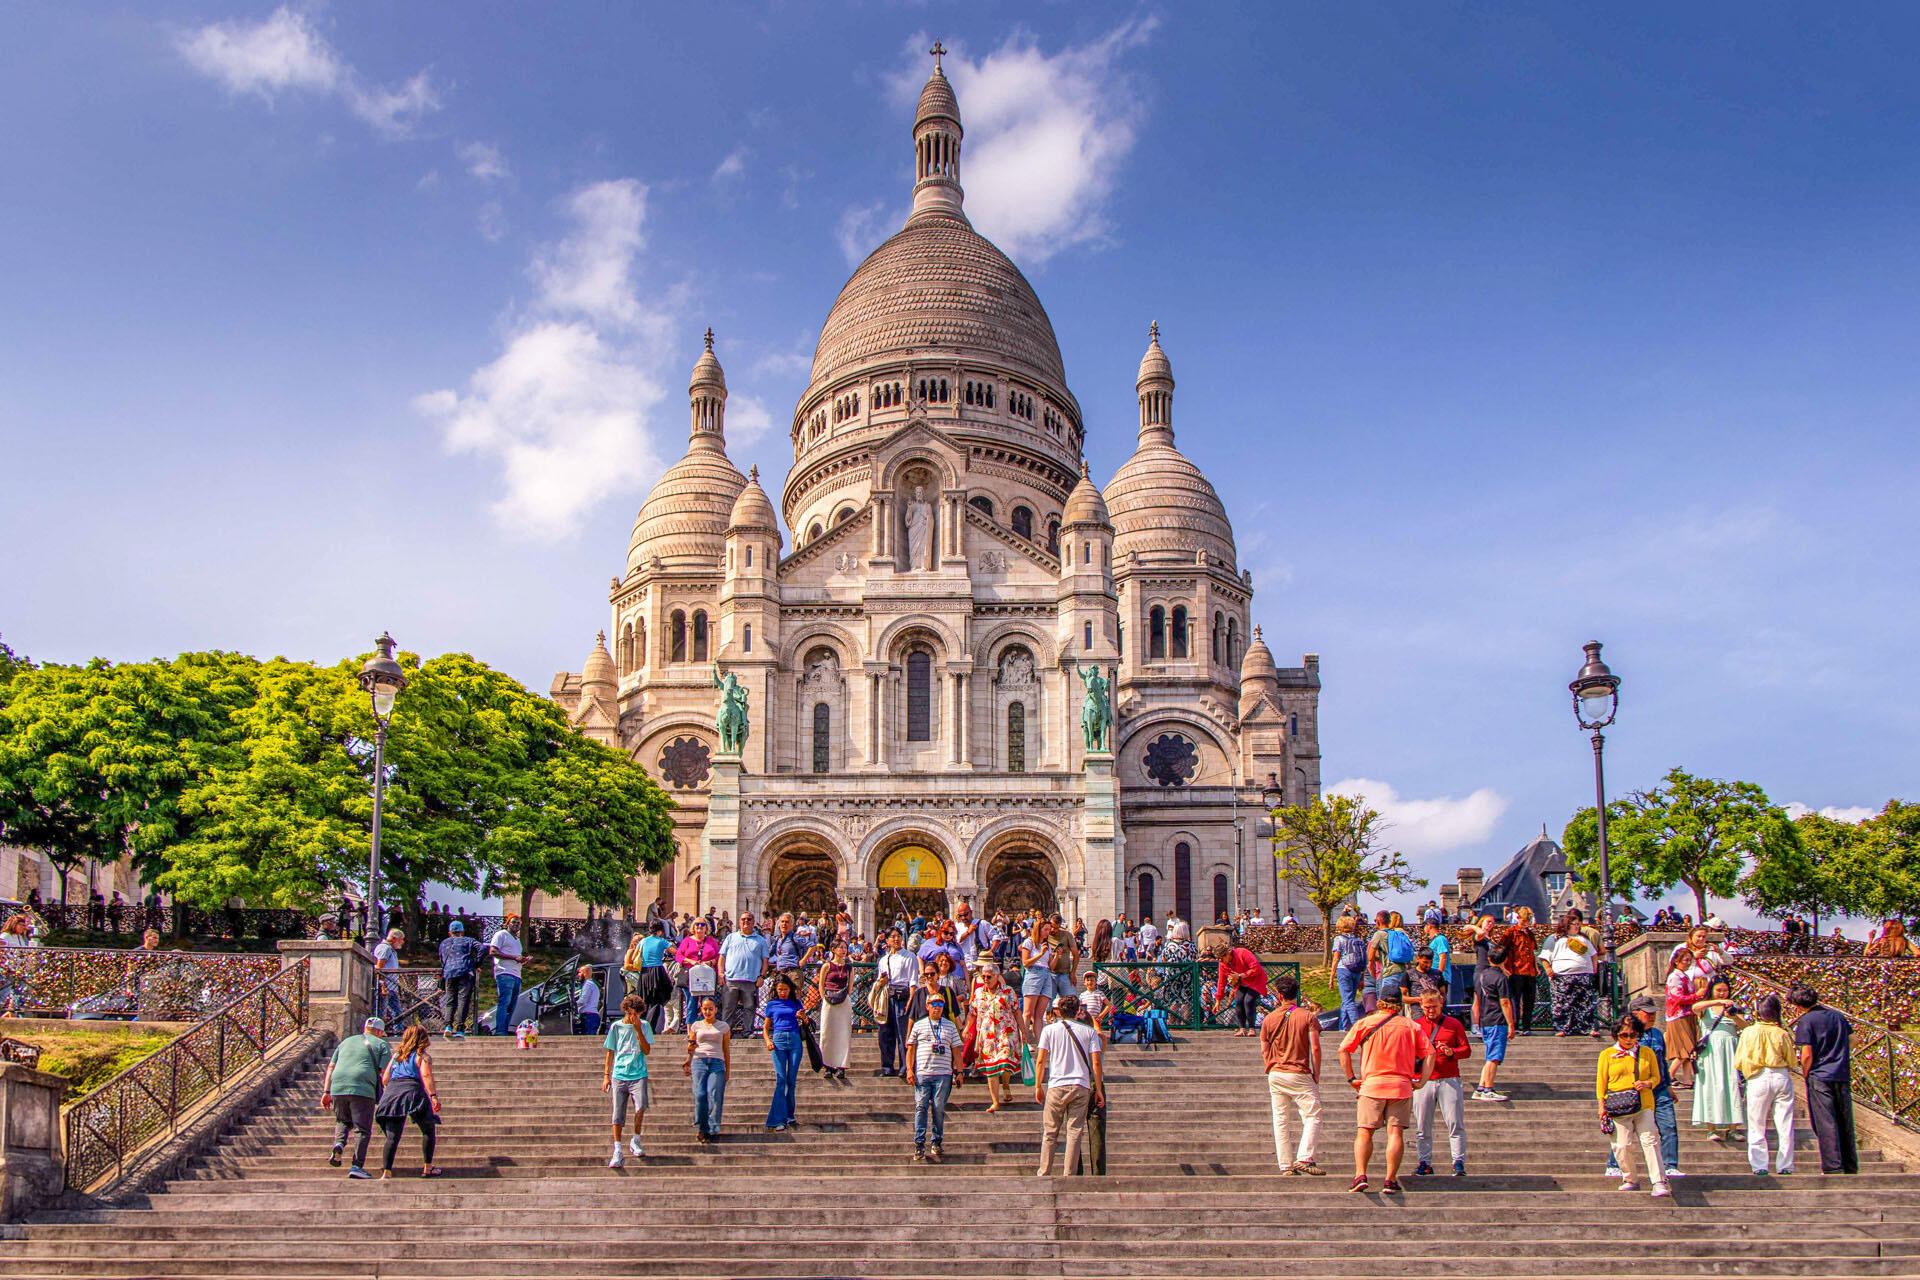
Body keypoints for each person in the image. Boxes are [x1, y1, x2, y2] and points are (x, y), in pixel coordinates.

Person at [1338, 987, 1432, 1194]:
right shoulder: (1411, 1025)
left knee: (1365, 1132)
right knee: (1395, 1133)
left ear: (1379, 1001)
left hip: (1371, 1085)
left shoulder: (1365, 1023)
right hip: (1401, 1086)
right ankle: (1390, 1179)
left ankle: (1360, 1175)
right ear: (1400, 1003)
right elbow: (1430, 1054)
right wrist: (1422, 1080)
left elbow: (1343, 1049)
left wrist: (1351, 1078)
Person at [1596, 1013, 1669, 1197]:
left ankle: (1659, 1181)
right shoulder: (1607, 1055)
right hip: (1618, 1105)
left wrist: (1647, 1083)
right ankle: (1630, 1178)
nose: (1629, 1039)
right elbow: (1601, 1083)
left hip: (1643, 1102)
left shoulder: (1647, 1053)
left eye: (1633, 1035)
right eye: (1624, 1035)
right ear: (1616, 1035)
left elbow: (1656, 1076)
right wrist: (1601, 1106)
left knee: (1650, 1141)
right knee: (1621, 1145)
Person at [1261, 971, 1324, 1176]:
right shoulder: (1308, 1017)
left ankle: (1285, 1165)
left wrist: (1270, 1065)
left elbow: (1264, 1048)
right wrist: (1316, 1072)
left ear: (1279, 995)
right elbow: (1315, 1047)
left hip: (1276, 1072)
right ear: (1296, 994)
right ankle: (1305, 1157)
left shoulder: (1269, 1019)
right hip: (1299, 1071)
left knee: (1280, 1119)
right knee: (1313, 1114)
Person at [1034, 994, 1105, 1176]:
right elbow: (1096, 1062)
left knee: (1050, 1131)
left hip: (1056, 1084)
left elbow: (1041, 1060)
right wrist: (1098, 1089)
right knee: (1074, 1131)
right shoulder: (1089, 1032)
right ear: (1078, 1010)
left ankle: (1044, 1171)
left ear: (1059, 1010)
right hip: (1080, 1084)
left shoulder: (1049, 1030)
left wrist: (1038, 1086)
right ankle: (1069, 1174)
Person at [1791, 983, 1857, 1174]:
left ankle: (1832, 1165)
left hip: (1819, 1074)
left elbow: (1807, 1054)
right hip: (1841, 1073)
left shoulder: (1806, 1020)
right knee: (1845, 1119)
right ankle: (1850, 1164)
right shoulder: (1837, 1016)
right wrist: (1840, 1053)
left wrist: (1805, 1073)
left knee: (1825, 1121)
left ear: (1797, 1005)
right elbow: (1854, 1040)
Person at [1618, 996, 1684, 1182]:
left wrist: (1668, 1086)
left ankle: (1670, 1165)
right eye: (1648, 1013)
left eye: (1654, 1012)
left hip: (1659, 1089)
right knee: (1625, 1131)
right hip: (1635, 1090)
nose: (1652, 1016)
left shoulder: (1657, 1034)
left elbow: (1662, 1062)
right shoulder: (1627, 1036)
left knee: (1669, 1126)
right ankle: (1615, 1164)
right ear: (1635, 1014)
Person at [320, 1017, 391, 1179]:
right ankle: (357, 1166)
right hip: (362, 1088)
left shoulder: (345, 1042)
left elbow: (331, 1067)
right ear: (379, 1032)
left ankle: (339, 1144)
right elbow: (385, 1073)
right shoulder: (382, 1044)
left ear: (365, 1028)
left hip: (338, 1086)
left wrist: (326, 1091)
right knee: (362, 1129)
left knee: (342, 1120)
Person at [1411, 986, 1470, 1176]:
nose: (1431, 1011)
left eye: (1434, 1007)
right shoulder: (1415, 1026)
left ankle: (1458, 1162)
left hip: (1449, 1078)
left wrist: (1452, 1052)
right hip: (1423, 1081)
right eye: (1427, 1007)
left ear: (1441, 1003)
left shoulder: (1453, 1024)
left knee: (1455, 1123)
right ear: (1421, 1005)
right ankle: (1424, 1162)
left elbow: (1466, 1050)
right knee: (1422, 1125)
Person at [1736, 993, 1796, 1175]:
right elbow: (1792, 1061)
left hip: (1757, 1077)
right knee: (1785, 1124)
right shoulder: (1782, 1033)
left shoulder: (1748, 1032)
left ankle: (1760, 1165)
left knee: (1756, 1123)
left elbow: (1738, 1060)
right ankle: (1785, 1165)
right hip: (1781, 1075)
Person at [373, 1025, 440, 1180]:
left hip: (393, 1092)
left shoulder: (396, 1056)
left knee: (392, 1136)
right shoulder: (422, 1056)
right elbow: (426, 1075)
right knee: (428, 1128)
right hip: (413, 1091)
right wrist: (433, 1096)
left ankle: (387, 1171)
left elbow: (385, 1079)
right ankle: (427, 1167)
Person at [598, 992, 655, 1166]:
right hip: (619, 1074)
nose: (632, 1017)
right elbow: (610, 1052)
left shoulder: (644, 1026)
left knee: (641, 1106)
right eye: (630, 1013)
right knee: (617, 1113)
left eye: (636, 1014)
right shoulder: (616, 1027)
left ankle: (635, 1139)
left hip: (638, 1073)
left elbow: (647, 1050)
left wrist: (638, 1030)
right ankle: (617, 1149)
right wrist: (606, 1076)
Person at [905, 992, 962, 1162]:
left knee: (938, 1108)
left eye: (940, 1004)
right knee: (920, 1107)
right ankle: (919, 1143)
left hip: (943, 1073)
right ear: (927, 1006)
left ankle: (936, 1141)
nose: (937, 1007)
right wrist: (909, 1069)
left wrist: (959, 1071)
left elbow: (956, 1050)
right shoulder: (919, 1025)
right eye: (934, 1004)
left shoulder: (950, 1026)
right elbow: (911, 1049)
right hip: (923, 1073)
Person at [1691, 976, 1746, 1143]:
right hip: (1711, 1049)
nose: (1722, 993)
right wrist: (1717, 1002)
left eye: (1725, 990)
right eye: (1719, 990)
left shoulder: (1733, 1007)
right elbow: (1695, 1007)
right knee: (1710, 1086)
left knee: (1732, 1084)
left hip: (1730, 1048)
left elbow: (1745, 1026)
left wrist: (1734, 1015)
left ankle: (1733, 1128)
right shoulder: (1706, 1007)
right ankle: (1711, 1128)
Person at [968, 961, 1023, 1111]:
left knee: (1004, 1060)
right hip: (987, 1036)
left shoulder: (1008, 991)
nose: (986, 979)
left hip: (1006, 1032)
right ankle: (995, 1101)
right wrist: (967, 1029)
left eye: (989, 976)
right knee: (991, 1068)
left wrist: (1023, 1031)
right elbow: (972, 1013)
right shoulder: (978, 993)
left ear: (997, 976)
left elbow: (1017, 1011)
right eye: (984, 976)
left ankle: (1005, 1084)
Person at [1543, 913, 1600, 1037]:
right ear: (1567, 925)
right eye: (1575, 924)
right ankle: (1562, 1028)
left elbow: (1594, 954)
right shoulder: (1554, 938)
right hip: (1561, 976)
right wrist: (1548, 968)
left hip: (1583, 975)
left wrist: (1594, 969)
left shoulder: (1583, 939)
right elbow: (1544, 956)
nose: (1578, 927)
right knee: (1561, 1003)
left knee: (1585, 1003)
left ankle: (1586, 1028)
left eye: (1579, 924)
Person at [762, 973, 805, 1131]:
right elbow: (765, 1028)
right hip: (778, 1041)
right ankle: (778, 1118)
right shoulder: (771, 1005)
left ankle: (789, 1115)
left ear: (790, 989)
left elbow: (806, 1023)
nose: (783, 992)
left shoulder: (796, 1002)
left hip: (794, 1040)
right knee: (781, 1080)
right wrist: (768, 1041)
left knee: (791, 1081)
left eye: (785, 989)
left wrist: (803, 1017)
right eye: (780, 989)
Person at [1471, 943, 1514, 1102]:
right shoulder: (1501, 978)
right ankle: (1488, 1089)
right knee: (1494, 1057)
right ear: (1505, 959)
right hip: (1497, 1019)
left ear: (1489, 958)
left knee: (1490, 1055)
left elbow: (1476, 1000)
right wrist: (1511, 1024)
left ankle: (1481, 1087)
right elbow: (1505, 1002)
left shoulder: (1481, 976)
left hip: (1485, 1019)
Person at [684, 994, 730, 1142]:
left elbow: (726, 1049)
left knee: (714, 1094)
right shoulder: (696, 1026)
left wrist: (728, 1069)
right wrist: (688, 1058)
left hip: (717, 1061)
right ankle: (702, 1126)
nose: (707, 1012)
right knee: (700, 1094)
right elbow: (691, 1045)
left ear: (716, 1009)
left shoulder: (723, 1026)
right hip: (699, 1061)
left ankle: (713, 1127)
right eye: (705, 1009)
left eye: (710, 1009)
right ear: (701, 1010)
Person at [719, 912, 771, 1039]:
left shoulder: (761, 940)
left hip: (751, 980)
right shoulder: (730, 937)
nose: (746, 921)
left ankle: (748, 1031)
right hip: (731, 979)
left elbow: (765, 960)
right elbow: (722, 956)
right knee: (728, 1007)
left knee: (749, 1007)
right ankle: (726, 1033)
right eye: (743, 919)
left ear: (753, 922)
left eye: (749, 919)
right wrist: (720, 973)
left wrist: (762, 976)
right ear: (739, 922)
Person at [874, 929, 917, 1077]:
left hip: (903, 997)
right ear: (887, 940)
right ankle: (887, 1066)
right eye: (892, 937)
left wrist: (911, 1000)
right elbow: (879, 980)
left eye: (898, 936)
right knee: (885, 1033)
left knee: (903, 1033)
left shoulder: (909, 957)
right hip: (887, 997)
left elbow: (913, 981)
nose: (896, 939)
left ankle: (906, 1066)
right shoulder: (883, 960)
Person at [1662, 946, 1704, 1088]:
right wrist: (1696, 996)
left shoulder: (1684, 976)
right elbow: (1677, 998)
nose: (1688, 963)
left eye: (1689, 960)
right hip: (1678, 1016)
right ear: (1676, 961)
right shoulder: (1675, 977)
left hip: (1687, 1014)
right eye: (1685, 960)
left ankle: (1687, 1080)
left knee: (1688, 1052)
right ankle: (1669, 1075)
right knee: (1685, 1049)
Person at [436, 919, 484, 1040]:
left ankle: (448, 1026)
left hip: (449, 973)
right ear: (462, 931)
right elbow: (482, 948)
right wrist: (476, 963)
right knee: (463, 1000)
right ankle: (460, 1029)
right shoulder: (468, 940)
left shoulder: (444, 943)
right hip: (465, 971)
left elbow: (442, 959)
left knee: (450, 1000)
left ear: (450, 932)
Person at [1211, 939, 1269, 1036]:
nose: (1220, 961)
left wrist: (1240, 975)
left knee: (1248, 1001)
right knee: (1238, 1000)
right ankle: (1242, 1028)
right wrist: (1218, 1000)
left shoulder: (1242, 953)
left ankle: (1252, 1028)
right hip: (1241, 983)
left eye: (1221, 958)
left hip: (1256, 981)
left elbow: (1255, 968)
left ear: (1227, 954)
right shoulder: (1223, 964)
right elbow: (1221, 981)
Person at [816, 939, 854, 1082]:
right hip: (828, 1000)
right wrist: (824, 998)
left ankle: (841, 1066)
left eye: (845, 948)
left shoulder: (849, 967)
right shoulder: (826, 966)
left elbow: (850, 986)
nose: (843, 950)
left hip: (843, 1000)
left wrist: (844, 996)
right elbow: (821, 985)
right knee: (827, 1033)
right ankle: (827, 1065)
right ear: (833, 949)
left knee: (843, 1033)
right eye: (841, 947)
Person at [671, 918, 720, 1029]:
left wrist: (711, 962)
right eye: (697, 924)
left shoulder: (711, 941)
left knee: (707, 1002)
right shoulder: (687, 941)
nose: (700, 927)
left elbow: (718, 956)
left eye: (702, 924)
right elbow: (678, 956)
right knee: (691, 1003)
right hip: (690, 975)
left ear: (706, 927)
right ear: (693, 927)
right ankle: (691, 1030)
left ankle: (705, 1028)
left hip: (707, 976)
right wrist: (690, 961)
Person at [1020, 917, 1059, 1044]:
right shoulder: (1029, 942)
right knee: (1027, 1012)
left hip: (1047, 975)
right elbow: (1025, 963)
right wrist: (1041, 954)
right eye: (1046, 929)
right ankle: (1024, 1043)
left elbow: (1051, 966)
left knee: (1039, 1015)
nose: (1048, 932)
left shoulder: (1047, 945)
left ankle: (1041, 1045)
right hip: (1033, 974)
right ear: (1039, 930)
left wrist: (1057, 955)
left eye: (1049, 929)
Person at [486, 916, 524, 1037]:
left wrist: (522, 960)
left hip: (517, 974)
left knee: (512, 1005)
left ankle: (505, 1029)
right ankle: (500, 1031)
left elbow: (515, 956)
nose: (516, 924)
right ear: (507, 924)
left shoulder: (517, 940)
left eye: (519, 923)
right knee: (504, 1002)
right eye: (514, 922)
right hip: (504, 973)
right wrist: (514, 958)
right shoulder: (501, 934)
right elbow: (493, 951)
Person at [1504, 908, 1538, 1034]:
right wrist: (1505, 968)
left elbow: (1533, 952)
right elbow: (1502, 949)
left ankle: (1526, 1026)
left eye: (1528, 921)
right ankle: (1515, 1026)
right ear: (1518, 918)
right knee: (1515, 1000)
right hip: (1516, 970)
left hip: (1530, 971)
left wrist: (1536, 967)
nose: (1526, 924)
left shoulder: (1530, 934)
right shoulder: (1510, 932)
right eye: (1524, 921)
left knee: (1529, 1000)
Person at [1331, 916, 1368, 1030]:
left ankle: (1357, 1027)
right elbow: (1365, 960)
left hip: (1344, 969)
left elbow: (1336, 958)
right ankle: (1343, 1026)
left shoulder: (1339, 939)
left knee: (1348, 1000)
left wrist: (1331, 977)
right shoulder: (1359, 940)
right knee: (1347, 999)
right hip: (1357, 972)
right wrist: (1362, 978)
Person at [1370, 911, 1414, 1005]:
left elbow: (1370, 957)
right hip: (1402, 971)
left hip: (1390, 972)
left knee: (1387, 1002)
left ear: (1378, 921)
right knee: (1399, 1001)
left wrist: (1373, 968)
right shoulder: (1396, 934)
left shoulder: (1379, 934)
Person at [372, 928, 404, 1027]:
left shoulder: (391, 950)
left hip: (391, 987)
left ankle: (397, 1031)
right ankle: (392, 1031)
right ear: (394, 938)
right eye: (401, 939)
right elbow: (379, 967)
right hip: (385, 987)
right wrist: (383, 986)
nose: (402, 942)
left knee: (396, 1013)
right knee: (383, 1012)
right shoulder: (385, 948)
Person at [575, 965, 603, 1036]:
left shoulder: (588, 984)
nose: (578, 975)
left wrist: (573, 1004)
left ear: (585, 973)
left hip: (589, 1017)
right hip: (591, 1017)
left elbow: (583, 1001)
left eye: (579, 972)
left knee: (588, 1039)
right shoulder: (591, 984)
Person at [1421, 920, 1451, 986]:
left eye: (1424, 926)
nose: (1423, 929)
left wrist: (1439, 975)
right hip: (1433, 976)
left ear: (1429, 926)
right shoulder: (1435, 940)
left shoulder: (1440, 939)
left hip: (1440, 977)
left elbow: (1443, 957)